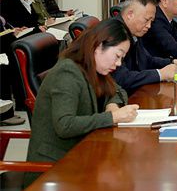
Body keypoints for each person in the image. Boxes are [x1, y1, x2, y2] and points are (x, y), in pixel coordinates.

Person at [26, 19, 139, 162]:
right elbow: (65, 125)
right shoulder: (67, 72)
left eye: (122, 58)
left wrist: (112, 106)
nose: (118, 63)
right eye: (117, 56)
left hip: (81, 152)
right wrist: (112, 117)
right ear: (98, 46)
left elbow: (118, 91)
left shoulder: (92, 67)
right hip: (55, 164)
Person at [111, 0, 177, 94]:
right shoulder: (113, 33)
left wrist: (173, 62)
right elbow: (122, 78)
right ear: (130, 14)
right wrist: (160, 74)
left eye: (151, 21)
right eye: (146, 20)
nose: (149, 26)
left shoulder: (133, 31)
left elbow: (146, 59)